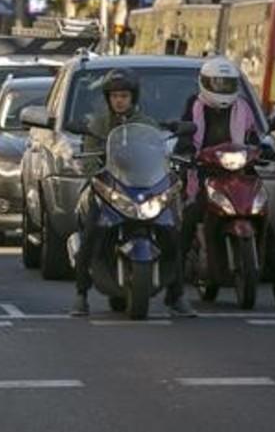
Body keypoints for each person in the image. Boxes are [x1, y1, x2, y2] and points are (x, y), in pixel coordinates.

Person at [71, 68, 195, 317]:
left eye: (124, 96)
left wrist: (166, 165)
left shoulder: (146, 124)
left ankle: (177, 295)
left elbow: (157, 155)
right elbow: (87, 159)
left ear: (133, 98)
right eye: (115, 96)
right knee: (91, 231)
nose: (119, 100)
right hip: (108, 185)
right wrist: (93, 167)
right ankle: (81, 294)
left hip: (142, 188)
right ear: (108, 99)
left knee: (172, 232)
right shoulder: (98, 123)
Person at [179, 57, 275, 307]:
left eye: (227, 84)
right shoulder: (195, 105)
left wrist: (261, 149)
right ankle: (174, 287)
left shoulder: (243, 107)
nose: (222, 89)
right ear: (204, 83)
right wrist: (187, 150)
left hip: (241, 174)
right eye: (217, 83)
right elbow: (186, 135)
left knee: (267, 225)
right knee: (189, 219)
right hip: (206, 174)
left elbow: (255, 135)